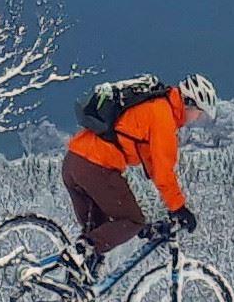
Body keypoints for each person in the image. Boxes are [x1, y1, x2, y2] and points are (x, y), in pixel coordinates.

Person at [61, 74, 218, 275]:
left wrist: (168, 209)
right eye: (199, 113)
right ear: (188, 103)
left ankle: (72, 296)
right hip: (95, 167)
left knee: (97, 238)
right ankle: (79, 252)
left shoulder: (154, 105)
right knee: (131, 220)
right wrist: (178, 208)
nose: (197, 119)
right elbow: (163, 171)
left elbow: (152, 164)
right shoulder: (163, 116)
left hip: (74, 163)